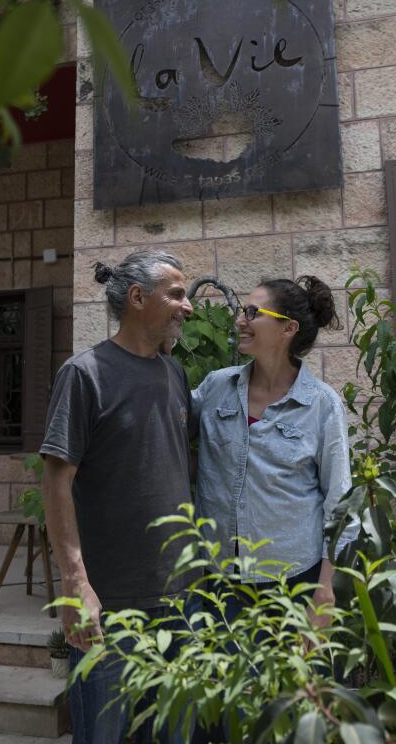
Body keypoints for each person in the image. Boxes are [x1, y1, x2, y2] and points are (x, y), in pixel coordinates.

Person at [39, 249, 195, 744]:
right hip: (109, 607)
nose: (187, 306)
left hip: (179, 599)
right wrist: (75, 585)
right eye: (176, 294)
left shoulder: (175, 373)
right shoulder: (84, 374)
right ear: (136, 298)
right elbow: (56, 481)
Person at [190, 276, 355, 629]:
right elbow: (162, 428)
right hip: (219, 581)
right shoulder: (216, 388)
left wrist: (325, 591)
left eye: (253, 312)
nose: (240, 320)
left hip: (295, 583)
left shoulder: (321, 405)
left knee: (294, 686)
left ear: (288, 329)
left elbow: (340, 504)